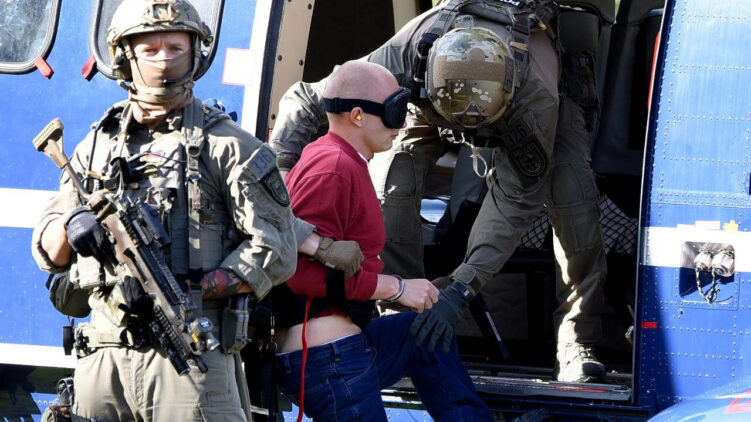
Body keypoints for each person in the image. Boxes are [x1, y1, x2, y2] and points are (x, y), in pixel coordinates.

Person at [30, 0, 360, 420]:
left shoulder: (229, 146)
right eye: (150, 50)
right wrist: (73, 224)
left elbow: (275, 249)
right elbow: (48, 252)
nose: (164, 60)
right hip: (104, 359)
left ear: (195, 53)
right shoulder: (95, 146)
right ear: (126, 56)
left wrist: (194, 290)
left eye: (175, 48)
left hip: (190, 356)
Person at [269, 0, 608, 383]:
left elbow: (513, 204)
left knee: (574, 202)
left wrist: (460, 290)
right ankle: (398, 319)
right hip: (430, 104)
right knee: (392, 181)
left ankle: (577, 339)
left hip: (522, 111)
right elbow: (304, 99)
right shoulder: (409, 52)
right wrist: (278, 183)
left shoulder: (535, 98)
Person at [272, 60, 493, 422]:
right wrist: (396, 288)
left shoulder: (343, 159)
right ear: (357, 116)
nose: (401, 125)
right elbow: (301, 275)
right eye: (394, 112)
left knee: (424, 334)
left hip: (342, 347)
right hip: (326, 359)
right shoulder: (332, 167)